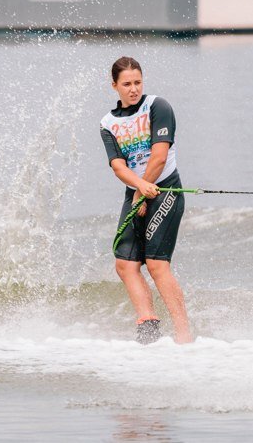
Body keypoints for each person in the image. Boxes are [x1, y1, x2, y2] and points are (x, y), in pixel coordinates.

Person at [99, 56, 193, 345]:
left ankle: (183, 335)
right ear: (114, 85)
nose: (133, 89)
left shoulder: (158, 107)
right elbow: (118, 167)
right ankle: (149, 326)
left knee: (155, 264)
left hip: (165, 189)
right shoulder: (108, 123)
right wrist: (138, 190)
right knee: (125, 264)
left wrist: (142, 192)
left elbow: (160, 155)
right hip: (137, 190)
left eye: (137, 82)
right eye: (126, 84)